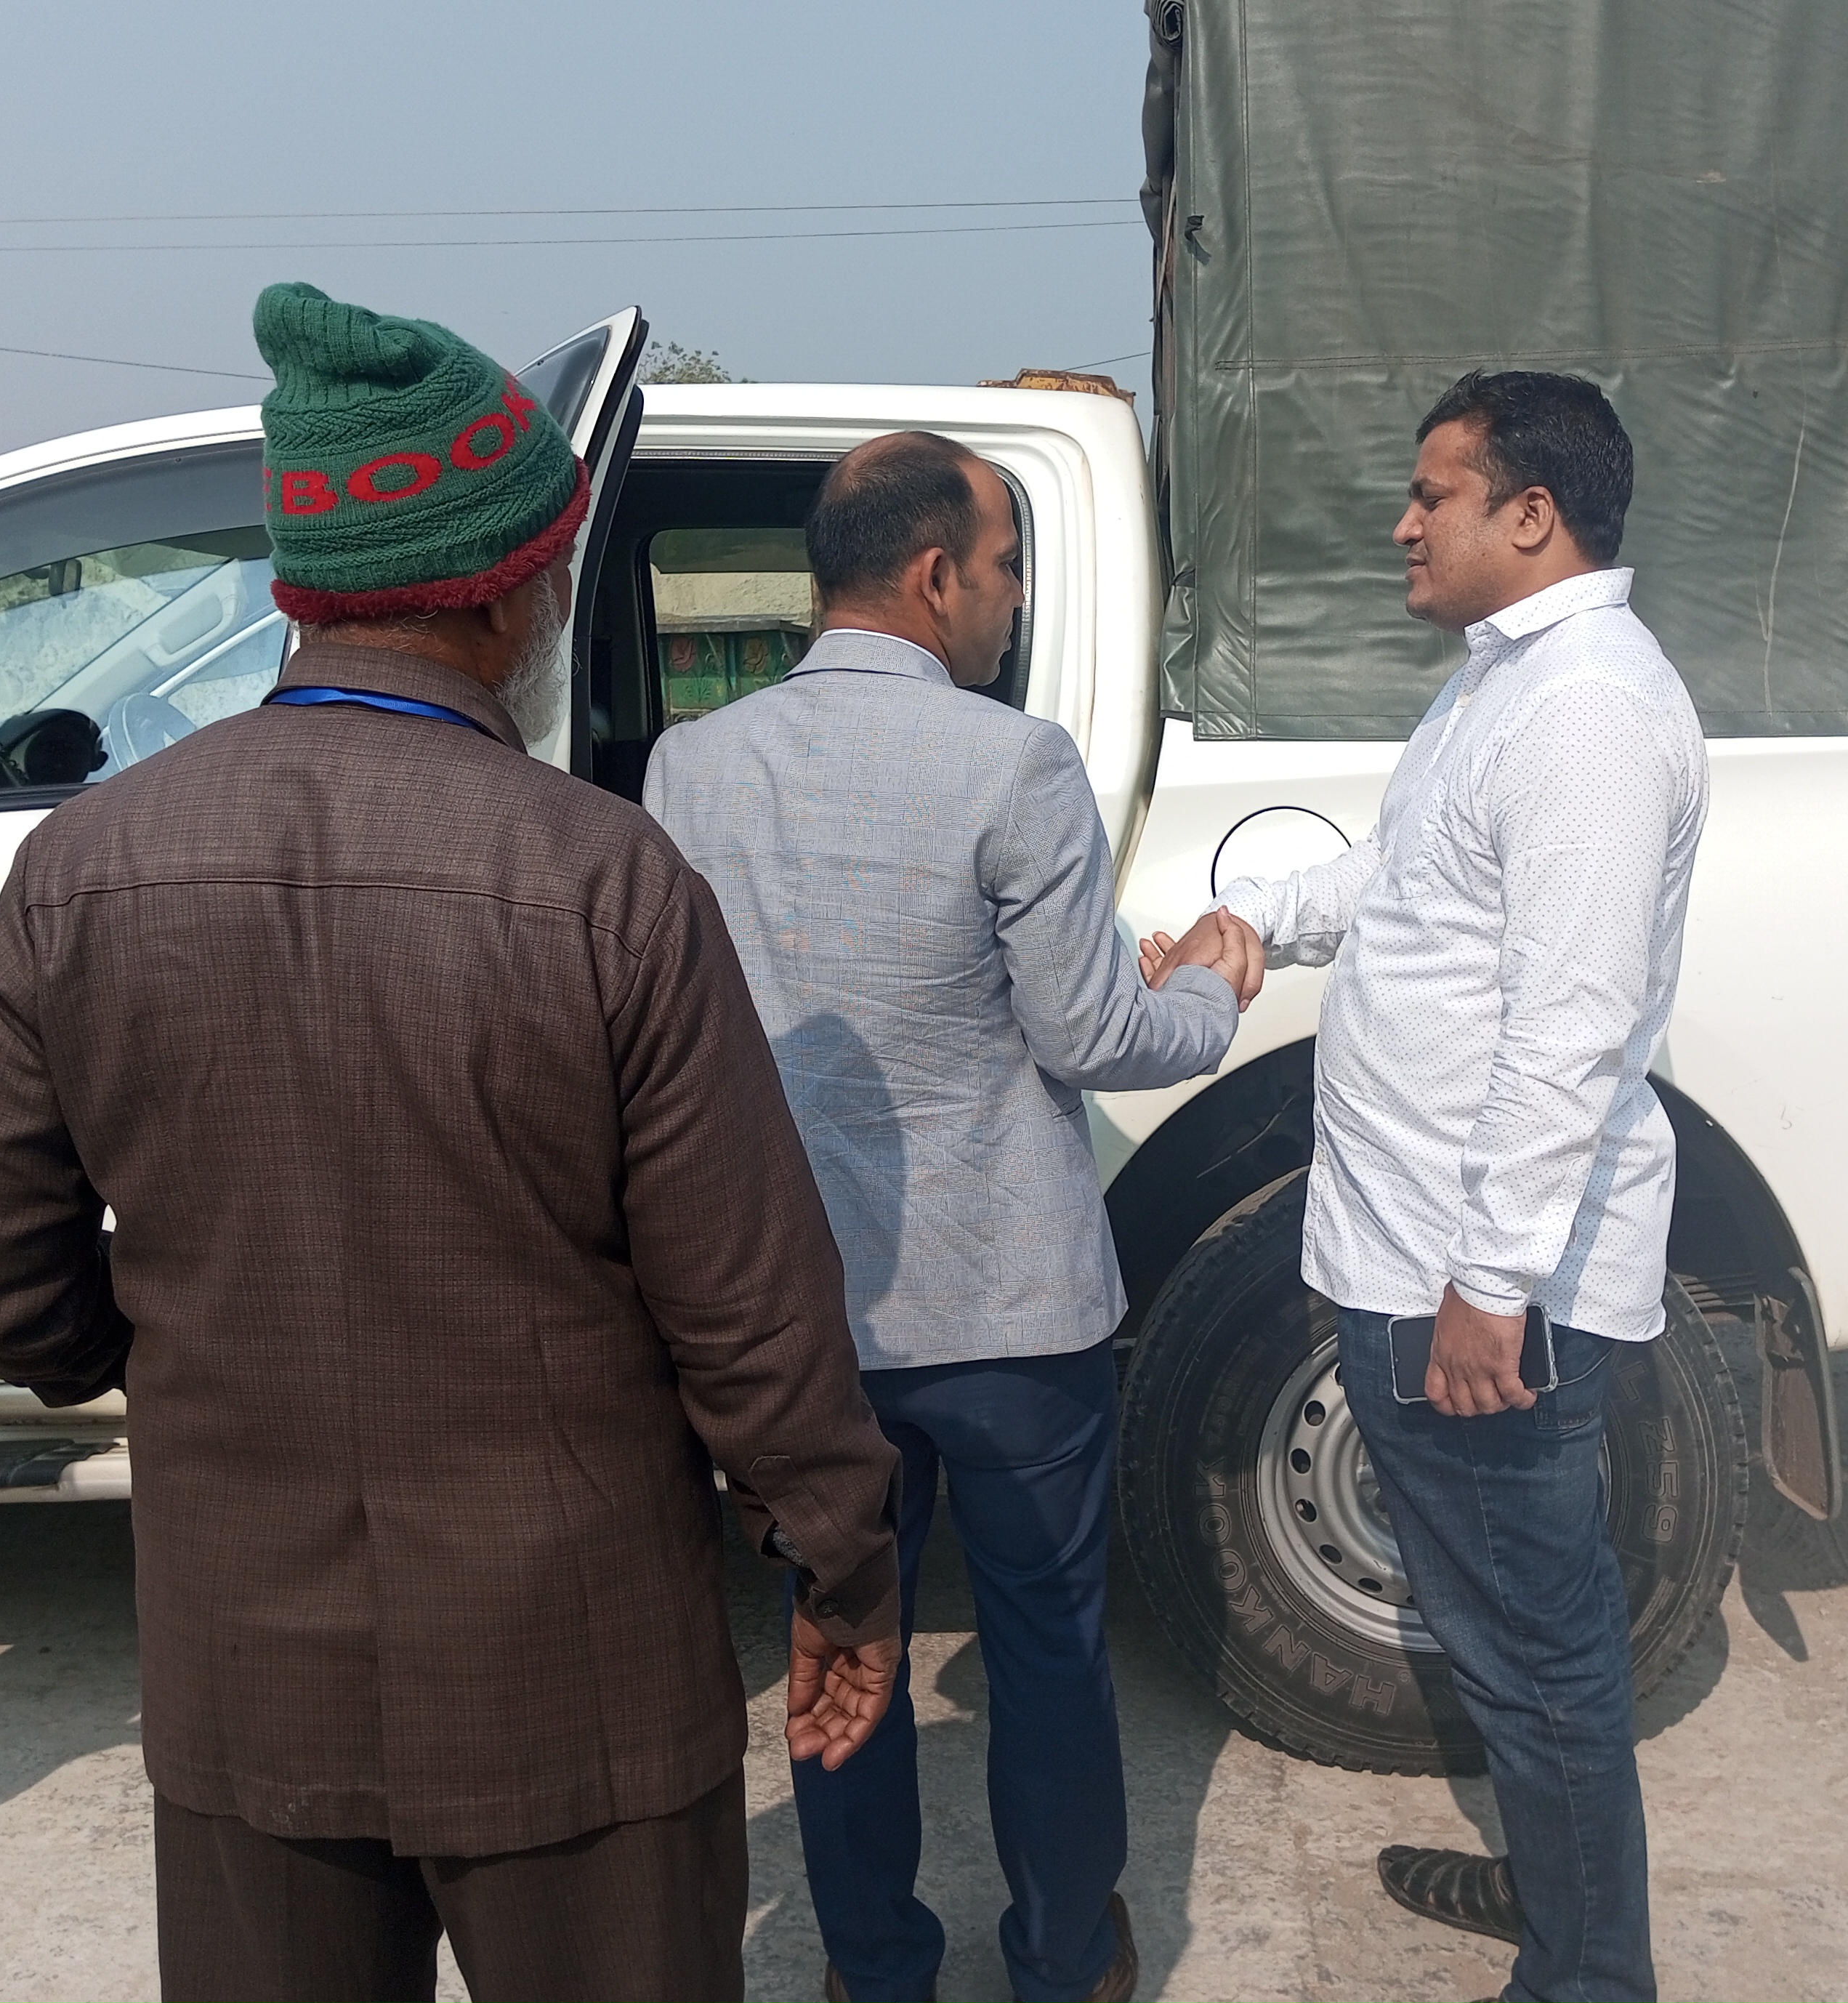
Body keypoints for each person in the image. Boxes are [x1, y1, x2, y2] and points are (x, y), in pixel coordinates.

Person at [0, 286, 905, 2003]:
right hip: (574, 1679)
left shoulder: (88, 864)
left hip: (246, 1677)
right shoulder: (603, 880)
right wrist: (841, 1556)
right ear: (510, 593)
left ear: (305, 585)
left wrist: (157, 1352)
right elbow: (747, 1305)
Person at [645, 433, 1259, 2003]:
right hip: (1010, 1319)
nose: (1010, 600)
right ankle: (1064, 1960)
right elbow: (1095, 1036)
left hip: (802, 1325)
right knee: (1047, 1644)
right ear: (934, 577)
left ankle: (874, 1970)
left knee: (840, 1639)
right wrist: (1207, 987)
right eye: (1002, 569)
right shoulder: (1013, 763)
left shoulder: (692, 769)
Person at [1150, 371, 1702, 2003]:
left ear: (1531, 515)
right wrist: (1261, 919)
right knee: (1503, 1629)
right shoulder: (1507, 687)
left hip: (1479, 1284)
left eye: (1434, 496)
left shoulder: (1586, 712)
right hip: (1419, 1251)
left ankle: (1590, 1973)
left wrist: (1491, 1285)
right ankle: (1559, 1896)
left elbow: (1569, 1026)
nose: (1405, 525)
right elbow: (1410, 878)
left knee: (1537, 1646)